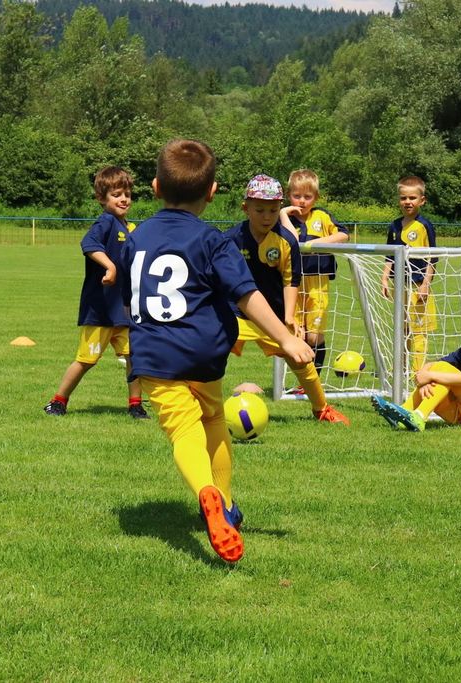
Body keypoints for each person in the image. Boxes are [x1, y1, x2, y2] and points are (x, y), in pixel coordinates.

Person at [118, 140, 314, 564]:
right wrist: (285, 338)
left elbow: (128, 297)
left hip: (155, 353)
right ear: (212, 192)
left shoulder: (135, 237)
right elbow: (246, 294)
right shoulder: (213, 240)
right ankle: (223, 503)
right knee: (212, 421)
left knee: (183, 430)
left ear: (155, 187)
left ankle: (206, 492)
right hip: (204, 351)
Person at [225, 174, 350, 425]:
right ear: (246, 208)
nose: (267, 216)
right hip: (236, 312)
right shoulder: (230, 239)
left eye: (273, 210)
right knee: (209, 350)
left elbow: (290, 279)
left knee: (300, 358)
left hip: (273, 316)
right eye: (260, 210)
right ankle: (195, 399)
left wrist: (289, 316)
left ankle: (321, 409)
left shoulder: (286, 240)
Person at [44, 166, 148, 419]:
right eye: (116, 195)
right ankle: (58, 401)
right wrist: (110, 266)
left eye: (127, 194)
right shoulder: (106, 222)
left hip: (124, 310)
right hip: (100, 311)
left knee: (134, 358)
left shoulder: (130, 228)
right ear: (102, 198)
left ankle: (136, 405)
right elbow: (89, 244)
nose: (124, 199)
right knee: (86, 360)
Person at [371, 294, 461, 433]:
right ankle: (404, 412)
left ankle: (419, 416)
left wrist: (431, 376)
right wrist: (425, 377)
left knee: (443, 371)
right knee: (440, 370)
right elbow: (437, 363)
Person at [278, 168, 350, 371]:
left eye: (307, 196)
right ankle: (303, 380)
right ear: (288, 195)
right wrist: (283, 214)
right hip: (292, 284)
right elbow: (291, 239)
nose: (302, 201)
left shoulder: (322, 216)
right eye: (296, 195)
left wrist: (316, 244)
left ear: (316, 197)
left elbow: (344, 235)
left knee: (314, 335)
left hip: (318, 282)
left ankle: (315, 379)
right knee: (297, 334)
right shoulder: (285, 220)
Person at [380, 175, 437, 373]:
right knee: (402, 329)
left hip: (418, 285)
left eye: (412, 198)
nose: (407, 202)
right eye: (403, 198)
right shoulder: (394, 226)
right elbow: (390, 255)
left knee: (419, 331)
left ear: (422, 200)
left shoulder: (424, 226)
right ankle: (400, 369)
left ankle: (417, 372)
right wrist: (384, 278)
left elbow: (433, 258)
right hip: (399, 286)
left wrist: (426, 284)